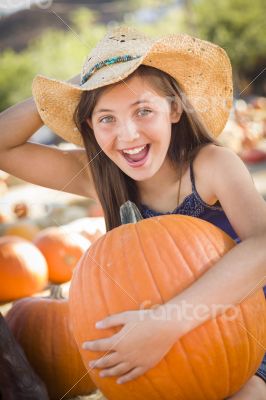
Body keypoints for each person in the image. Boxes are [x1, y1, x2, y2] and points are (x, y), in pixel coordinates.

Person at [0, 26, 265, 399]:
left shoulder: (211, 166)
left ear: (174, 109)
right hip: (154, 344)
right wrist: (78, 86)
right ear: (89, 124)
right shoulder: (101, 177)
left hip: (248, 331)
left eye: (143, 110)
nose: (128, 135)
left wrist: (164, 326)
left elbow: (262, 245)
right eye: (107, 117)